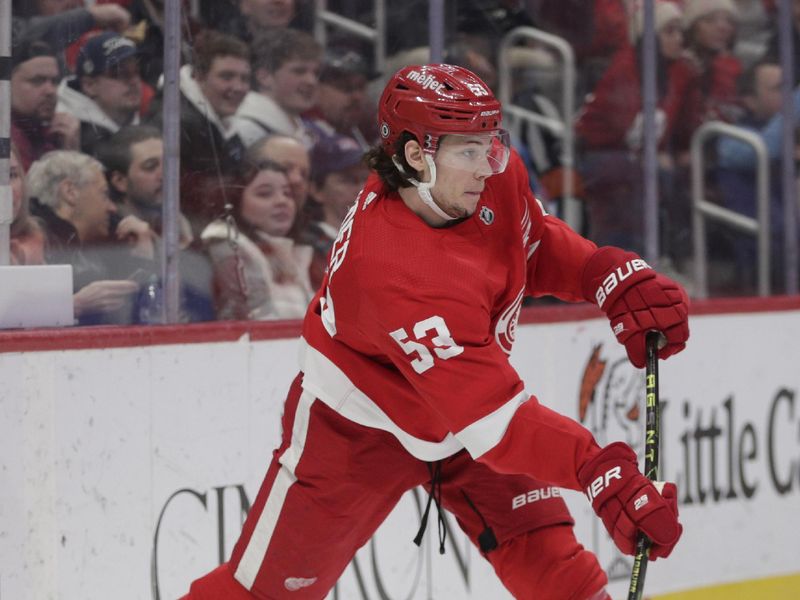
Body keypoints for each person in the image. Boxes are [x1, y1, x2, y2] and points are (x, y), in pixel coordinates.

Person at [182, 64, 688, 600]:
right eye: (468, 152)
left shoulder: (487, 176)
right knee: (265, 594)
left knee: (546, 549)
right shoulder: (394, 271)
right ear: (414, 156)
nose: (488, 165)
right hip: (356, 429)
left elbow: (531, 242)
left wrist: (600, 274)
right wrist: (595, 470)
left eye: (492, 143)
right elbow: (498, 427)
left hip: (464, 405)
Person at [575, 0, 692, 254]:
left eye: (681, 32)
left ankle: (668, 254)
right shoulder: (624, 68)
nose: (679, 39)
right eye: (670, 31)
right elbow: (612, 129)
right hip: (602, 153)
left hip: (640, 157)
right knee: (631, 178)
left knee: (675, 177)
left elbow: (679, 126)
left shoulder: (680, 72)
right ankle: (622, 263)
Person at [26, 150, 156, 325]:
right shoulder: (33, 247)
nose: (111, 208)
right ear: (70, 192)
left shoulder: (85, 251)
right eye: (103, 194)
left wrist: (142, 256)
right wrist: (74, 305)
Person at [147, 30, 250, 237]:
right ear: (198, 76)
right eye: (226, 76)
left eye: (244, 78)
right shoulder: (176, 123)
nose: (238, 87)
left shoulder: (209, 121)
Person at [201, 158, 314, 320]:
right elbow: (246, 320)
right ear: (235, 201)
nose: (282, 201)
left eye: (287, 193)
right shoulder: (226, 245)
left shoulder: (299, 252)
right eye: (265, 194)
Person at [302, 127, 369, 290]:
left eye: (366, 179)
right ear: (316, 190)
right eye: (348, 180)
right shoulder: (308, 250)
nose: (362, 189)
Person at [56, 32, 144, 156]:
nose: (134, 81)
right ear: (90, 86)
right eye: (120, 73)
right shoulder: (70, 133)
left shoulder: (139, 119)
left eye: (137, 71)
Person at [233, 29, 321, 148]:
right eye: (299, 71)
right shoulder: (246, 130)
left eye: (316, 73)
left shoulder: (301, 128)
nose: (312, 81)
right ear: (264, 77)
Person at [10, 38, 80, 171]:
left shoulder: (55, 132)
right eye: (37, 81)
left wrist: (70, 150)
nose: (51, 91)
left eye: (54, 81)